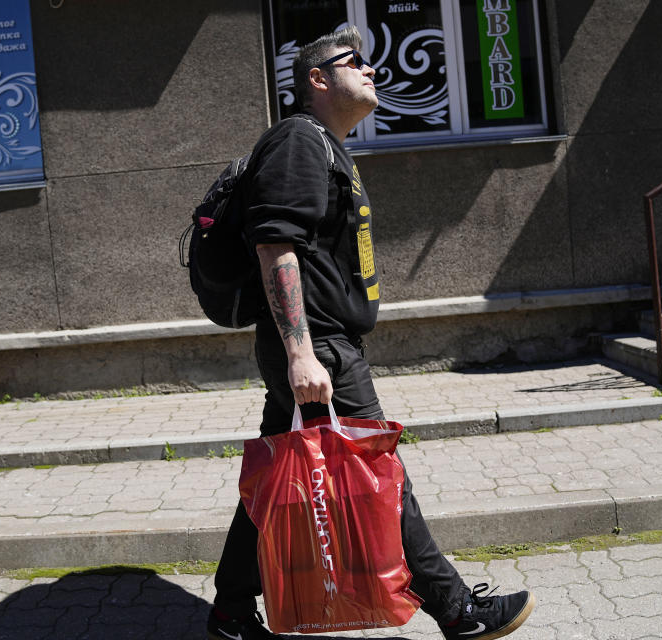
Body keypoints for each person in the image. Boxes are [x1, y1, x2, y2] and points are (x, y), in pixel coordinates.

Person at [206, 26, 535, 640]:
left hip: (322, 343)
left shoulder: (326, 147)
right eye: (353, 60)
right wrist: (303, 354)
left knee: (280, 476)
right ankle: (456, 608)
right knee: (380, 472)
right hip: (318, 345)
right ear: (317, 79)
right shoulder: (299, 142)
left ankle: (229, 613)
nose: (372, 68)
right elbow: (274, 247)